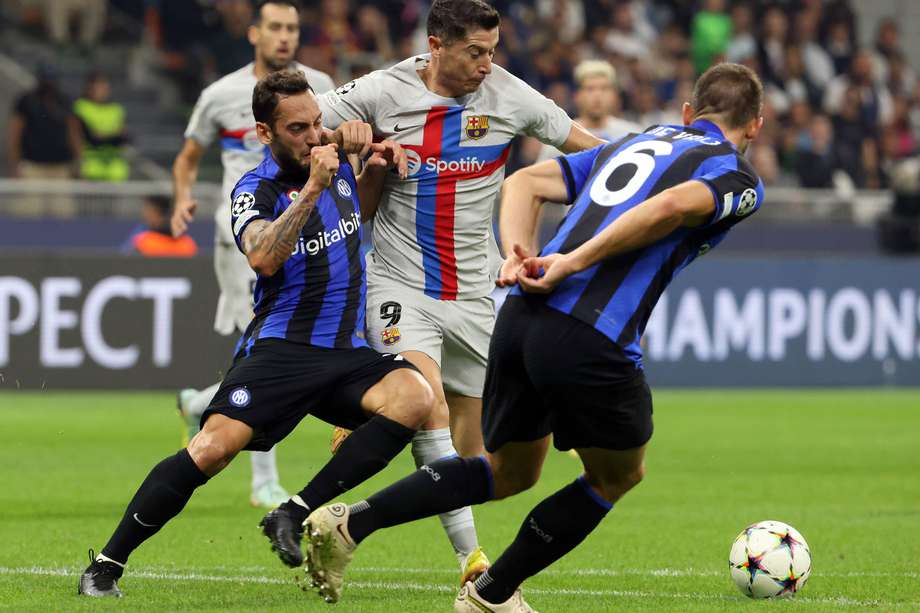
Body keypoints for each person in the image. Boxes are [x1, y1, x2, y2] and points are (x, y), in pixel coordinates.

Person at [302, 62, 767, 612]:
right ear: (755, 126)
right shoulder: (734, 174)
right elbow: (669, 206)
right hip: (591, 337)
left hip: (522, 318)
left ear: (688, 112)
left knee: (510, 471)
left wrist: (520, 251)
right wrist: (571, 261)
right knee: (619, 474)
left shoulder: (633, 143)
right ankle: (491, 595)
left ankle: (351, 523)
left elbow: (525, 181)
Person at [78, 69, 430, 599]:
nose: (313, 135)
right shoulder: (256, 189)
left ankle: (293, 512)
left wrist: (378, 163)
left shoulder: (333, 158)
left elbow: (355, 218)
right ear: (265, 133)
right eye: (297, 128)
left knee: (414, 398)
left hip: (345, 352)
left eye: (317, 123)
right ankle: (105, 565)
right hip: (282, 350)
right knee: (212, 451)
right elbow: (264, 258)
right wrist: (312, 186)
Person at [315, 0, 605, 582]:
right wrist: (354, 140)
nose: (486, 64)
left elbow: (589, 149)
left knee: (472, 462)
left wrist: (644, 177)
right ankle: (470, 563)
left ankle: (338, 512)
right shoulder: (383, 89)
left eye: (493, 51)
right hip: (401, 284)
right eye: (475, 51)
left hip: (476, 296)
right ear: (436, 45)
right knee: (430, 409)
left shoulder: (509, 94)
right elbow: (302, 127)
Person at [169, 0, 336, 509]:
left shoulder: (321, 88)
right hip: (242, 238)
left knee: (273, 352)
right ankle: (264, 478)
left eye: (292, 28)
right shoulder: (221, 95)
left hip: (306, 233)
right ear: (253, 34)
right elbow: (189, 155)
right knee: (268, 350)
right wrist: (182, 196)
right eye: (275, 28)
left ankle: (198, 403)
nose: (285, 37)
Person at [7, 62, 83, 217]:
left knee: (63, 212)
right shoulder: (26, 101)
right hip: (33, 166)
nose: (49, 83)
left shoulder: (64, 101)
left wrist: (78, 162)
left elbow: (74, 132)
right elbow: (15, 134)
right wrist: (15, 164)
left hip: (60, 167)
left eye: (52, 79)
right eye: (46, 79)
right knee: (30, 212)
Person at [73, 72, 129, 182]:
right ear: (89, 88)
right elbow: (90, 137)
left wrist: (107, 135)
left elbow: (123, 135)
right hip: (91, 169)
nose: (101, 91)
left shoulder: (116, 109)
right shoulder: (81, 107)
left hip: (115, 170)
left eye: (104, 87)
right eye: (97, 87)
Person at [123, 195, 198, 256]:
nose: (144, 214)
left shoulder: (143, 242)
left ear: (157, 212)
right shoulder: (188, 244)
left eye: (148, 210)